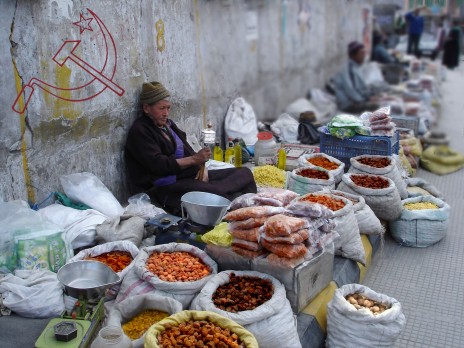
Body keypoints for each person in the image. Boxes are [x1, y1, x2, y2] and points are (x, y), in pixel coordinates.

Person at [125, 81, 257, 215]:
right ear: (146, 108)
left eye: (168, 108)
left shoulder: (167, 125)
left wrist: (202, 167)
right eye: (161, 108)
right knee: (216, 195)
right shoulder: (140, 131)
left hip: (189, 176)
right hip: (166, 186)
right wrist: (195, 160)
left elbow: (186, 148)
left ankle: (245, 203)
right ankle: (234, 207)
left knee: (244, 173)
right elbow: (159, 165)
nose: (166, 113)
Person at [329, 41, 379, 114]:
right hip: (348, 104)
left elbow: (360, 88)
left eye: (364, 53)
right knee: (379, 107)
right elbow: (351, 91)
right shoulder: (347, 70)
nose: (364, 56)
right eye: (361, 53)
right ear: (353, 55)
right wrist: (366, 100)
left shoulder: (356, 67)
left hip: (356, 100)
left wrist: (369, 97)